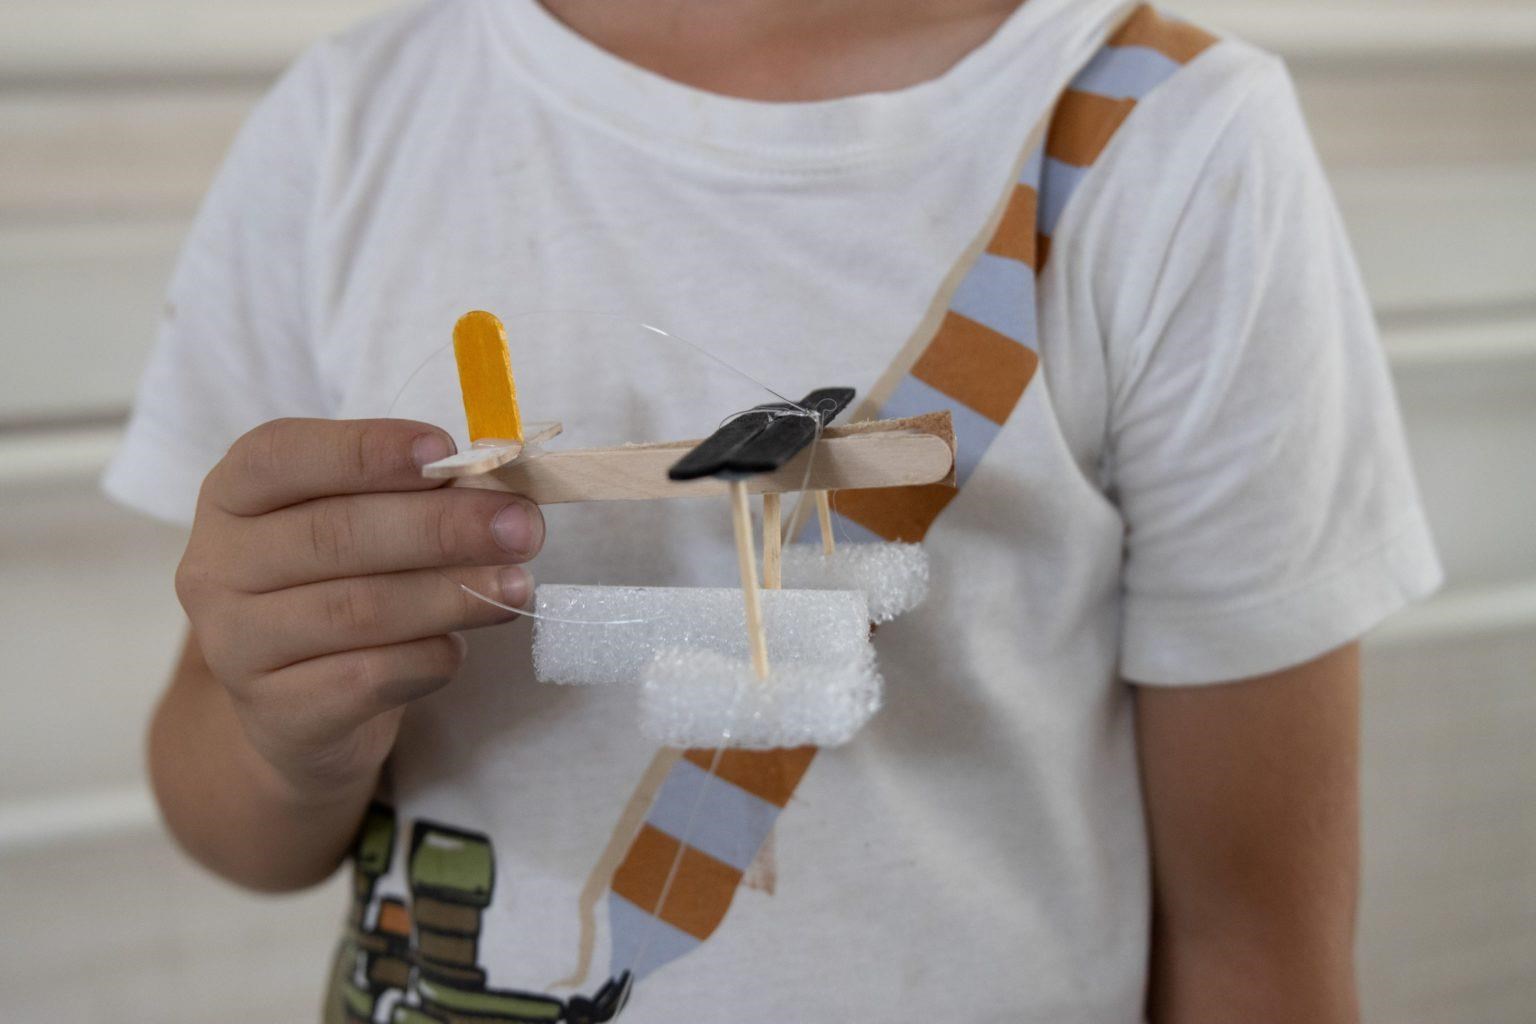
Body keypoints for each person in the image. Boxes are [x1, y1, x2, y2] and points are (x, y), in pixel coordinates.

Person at [104, 0, 1442, 1020]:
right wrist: (294, 746)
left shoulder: (1159, 142)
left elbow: (1258, 941)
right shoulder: (349, 123)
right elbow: (224, 806)